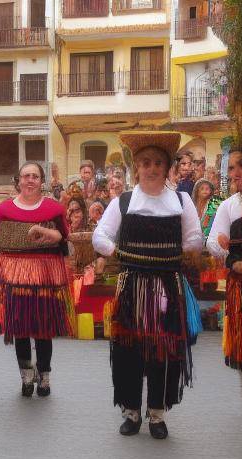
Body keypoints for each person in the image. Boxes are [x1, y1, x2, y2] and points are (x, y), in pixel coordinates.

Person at [93, 132, 203, 439]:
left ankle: (157, 413)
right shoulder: (124, 202)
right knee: (130, 350)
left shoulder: (181, 201)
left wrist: (182, 249)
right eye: (145, 163)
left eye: (157, 163)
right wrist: (116, 251)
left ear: (167, 167)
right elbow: (99, 237)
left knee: (164, 350)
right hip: (132, 288)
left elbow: (195, 239)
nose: (151, 168)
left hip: (169, 286)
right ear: (136, 167)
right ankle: (131, 411)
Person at [0, 161, 72, 398]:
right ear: (19, 181)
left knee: (43, 328)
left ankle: (44, 376)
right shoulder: (4, 209)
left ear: (41, 182)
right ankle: (25, 375)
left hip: (45, 276)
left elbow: (65, 237)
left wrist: (47, 234)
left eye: (35, 176)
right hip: (15, 276)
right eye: (26, 176)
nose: (30, 180)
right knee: (20, 327)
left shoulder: (54, 209)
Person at [207, 147, 242, 417]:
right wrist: (230, 257)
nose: (233, 174)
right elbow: (212, 242)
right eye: (230, 168)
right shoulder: (229, 205)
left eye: (239, 166)